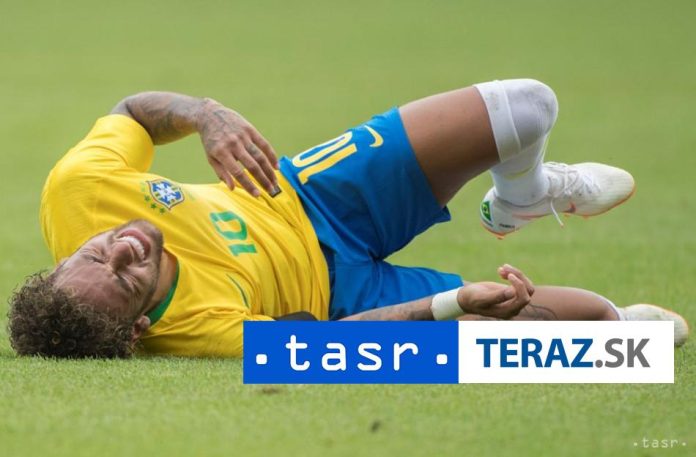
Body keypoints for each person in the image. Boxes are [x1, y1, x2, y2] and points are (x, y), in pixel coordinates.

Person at [8, 79, 688, 358]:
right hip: (347, 298)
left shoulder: (78, 191)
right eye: (127, 278)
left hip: (311, 192)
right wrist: (452, 305)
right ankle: (622, 318)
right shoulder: (194, 335)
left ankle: (525, 192)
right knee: (605, 331)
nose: (124, 248)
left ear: (64, 255)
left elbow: (131, 112)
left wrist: (206, 115)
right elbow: (326, 344)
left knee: (527, 106)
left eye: (95, 254)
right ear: (139, 329)